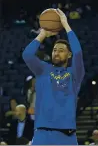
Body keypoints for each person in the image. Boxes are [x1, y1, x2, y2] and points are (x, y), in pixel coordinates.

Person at [22, 8, 85, 145]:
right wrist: (43, 34)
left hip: (67, 137)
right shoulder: (43, 69)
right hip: (42, 134)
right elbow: (27, 55)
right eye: (55, 50)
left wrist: (65, 24)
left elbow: (78, 53)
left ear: (69, 55)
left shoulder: (75, 73)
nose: (56, 53)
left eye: (61, 50)